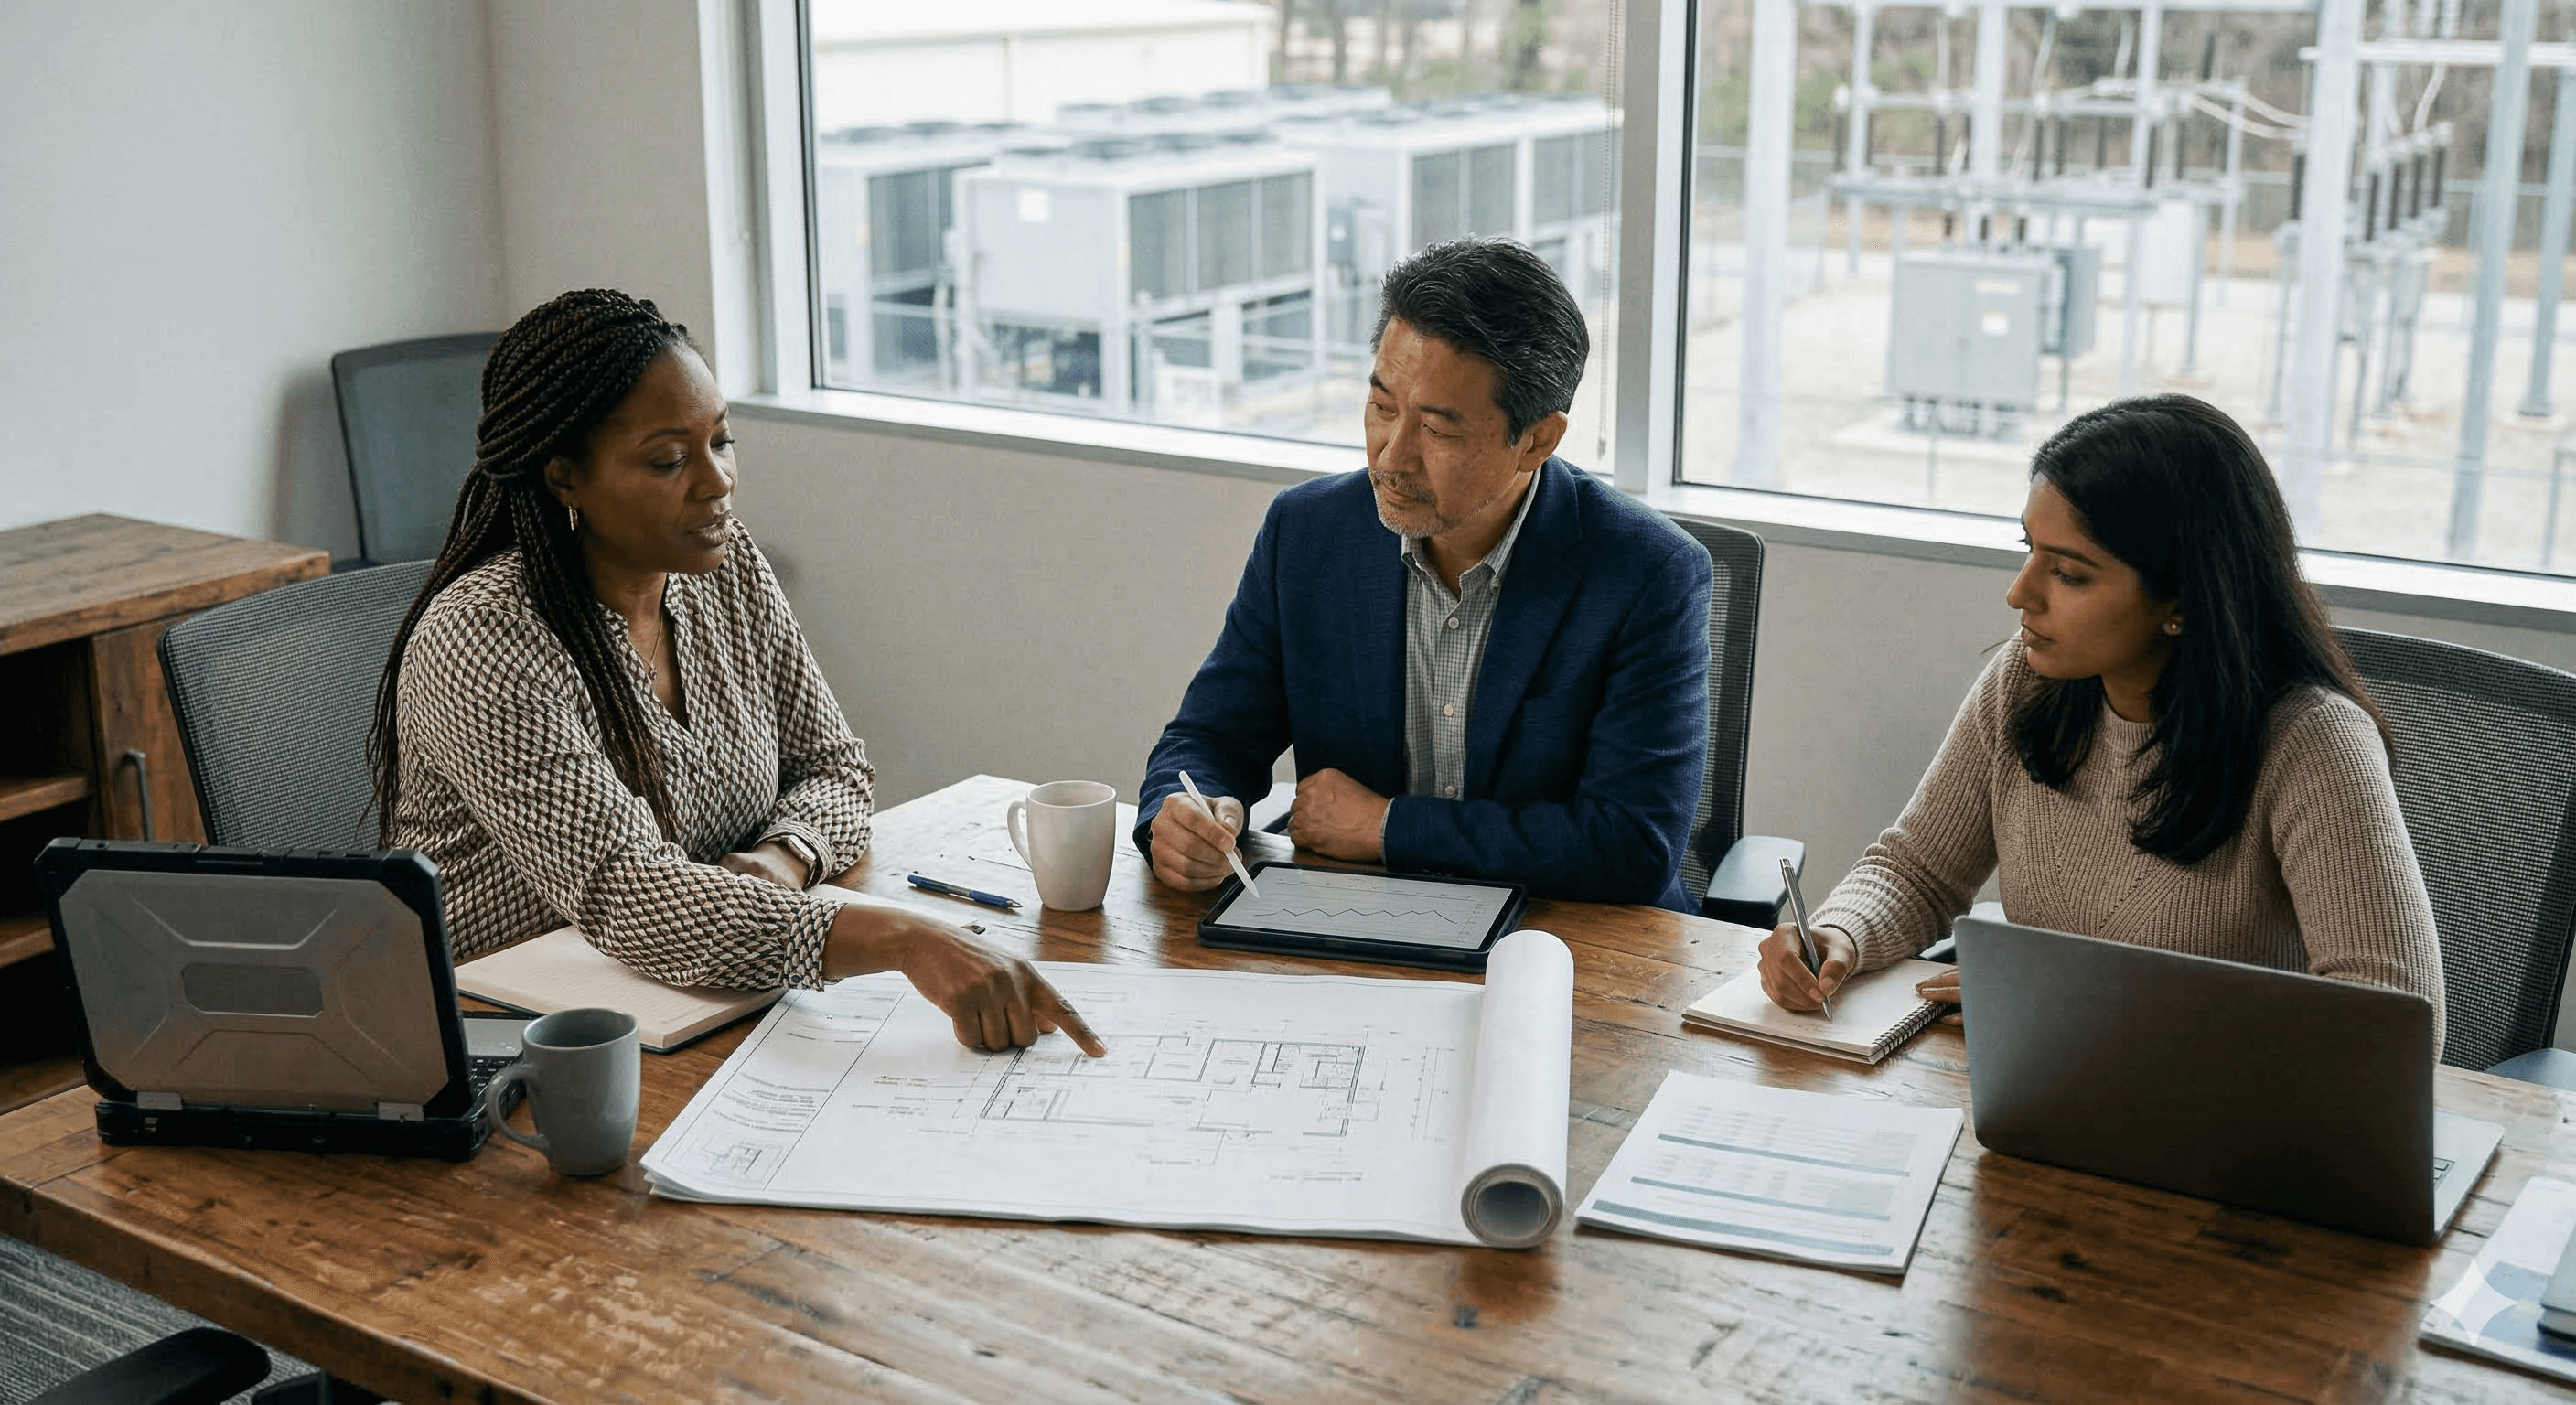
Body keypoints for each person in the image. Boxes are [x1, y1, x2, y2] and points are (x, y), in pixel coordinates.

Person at [368, 288, 1100, 1057]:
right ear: (563, 479)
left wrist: (783, 856)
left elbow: (836, 769)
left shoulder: (725, 567)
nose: (717, 483)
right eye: (669, 460)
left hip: (692, 1006)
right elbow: (634, 898)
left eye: (722, 440)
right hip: (498, 1038)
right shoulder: (485, 639)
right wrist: (910, 941)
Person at [1757, 394, 2445, 1055]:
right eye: (2028, 549)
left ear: (2181, 598)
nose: (2020, 592)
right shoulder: (2025, 683)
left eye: (2070, 574)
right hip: (2054, 1088)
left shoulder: (2313, 742)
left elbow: (2392, 1019)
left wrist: (2082, 1003)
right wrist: (1837, 932)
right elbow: (1920, 873)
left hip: (2235, 1123)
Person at [1139, 238, 1713, 910]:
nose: (1392, 456)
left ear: (1537, 440)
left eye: (1438, 431)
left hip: (1568, 948)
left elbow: (1631, 846)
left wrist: (1389, 827)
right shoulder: (1308, 533)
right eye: (1383, 407)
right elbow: (1210, 736)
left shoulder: (1648, 574)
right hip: (1357, 923)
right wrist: (1183, 810)